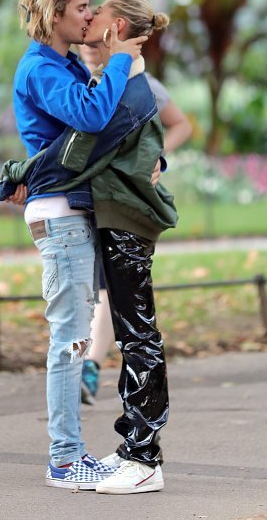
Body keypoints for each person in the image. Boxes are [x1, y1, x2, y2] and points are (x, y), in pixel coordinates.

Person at [0, 0, 180, 494]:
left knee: (134, 335)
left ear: (115, 25)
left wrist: (15, 177)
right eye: (81, 6)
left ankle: (141, 455)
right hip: (105, 218)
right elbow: (84, 148)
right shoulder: (110, 78)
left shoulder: (127, 84)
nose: (88, 15)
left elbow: (80, 150)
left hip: (121, 221)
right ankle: (125, 451)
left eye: (94, 10)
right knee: (124, 334)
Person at [77, 45, 193, 406]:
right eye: (86, 41)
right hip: (80, 198)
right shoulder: (75, 80)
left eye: (98, 43)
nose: (90, 49)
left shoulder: (140, 83)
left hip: (120, 200)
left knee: (108, 286)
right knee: (89, 287)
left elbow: (182, 124)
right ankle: (79, 370)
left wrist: (157, 154)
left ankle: (90, 368)